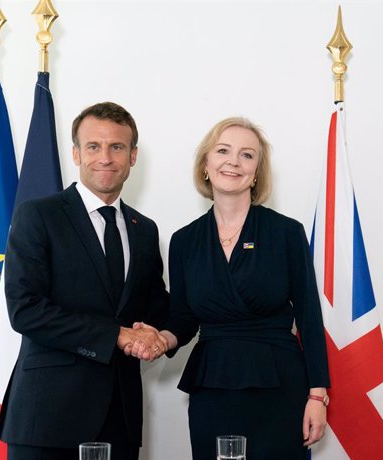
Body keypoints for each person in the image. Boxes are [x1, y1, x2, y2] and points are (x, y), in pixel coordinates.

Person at [133, 117, 330, 459]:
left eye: (247, 155)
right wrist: (163, 338)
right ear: (206, 164)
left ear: (257, 172)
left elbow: (310, 317)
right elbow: (183, 315)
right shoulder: (184, 241)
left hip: (279, 385)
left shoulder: (286, 233)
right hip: (213, 386)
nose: (233, 162)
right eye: (223, 150)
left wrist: (317, 395)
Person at [0, 102, 170, 460]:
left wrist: (163, 336)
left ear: (133, 156)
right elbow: (26, 310)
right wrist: (118, 335)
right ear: (76, 153)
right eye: (93, 146)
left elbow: (156, 307)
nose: (105, 157)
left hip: (119, 419)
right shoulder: (38, 215)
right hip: (47, 418)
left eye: (117, 147)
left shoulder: (144, 230)